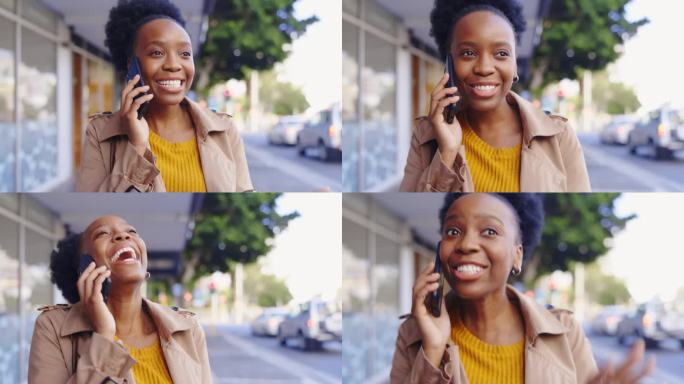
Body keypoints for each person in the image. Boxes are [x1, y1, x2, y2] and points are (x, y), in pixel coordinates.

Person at [390, 193, 654, 383]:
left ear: (517, 255)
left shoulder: (564, 333)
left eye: (490, 232)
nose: (466, 244)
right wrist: (433, 351)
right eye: (453, 231)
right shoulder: (413, 334)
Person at [399, 0, 590, 192]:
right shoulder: (425, 136)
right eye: (468, 53)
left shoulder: (559, 136)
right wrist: (446, 153)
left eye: (501, 53)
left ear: (514, 65)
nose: (484, 68)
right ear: (449, 64)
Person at [77, 0, 253, 192]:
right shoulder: (100, 133)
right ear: (131, 64)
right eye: (157, 52)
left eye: (184, 53)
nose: (174, 65)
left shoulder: (225, 130)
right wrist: (136, 147)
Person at [28, 215, 212, 383]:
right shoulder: (52, 327)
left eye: (131, 231)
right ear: (83, 268)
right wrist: (105, 336)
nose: (123, 236)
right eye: (102, 234)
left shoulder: (188, 327)